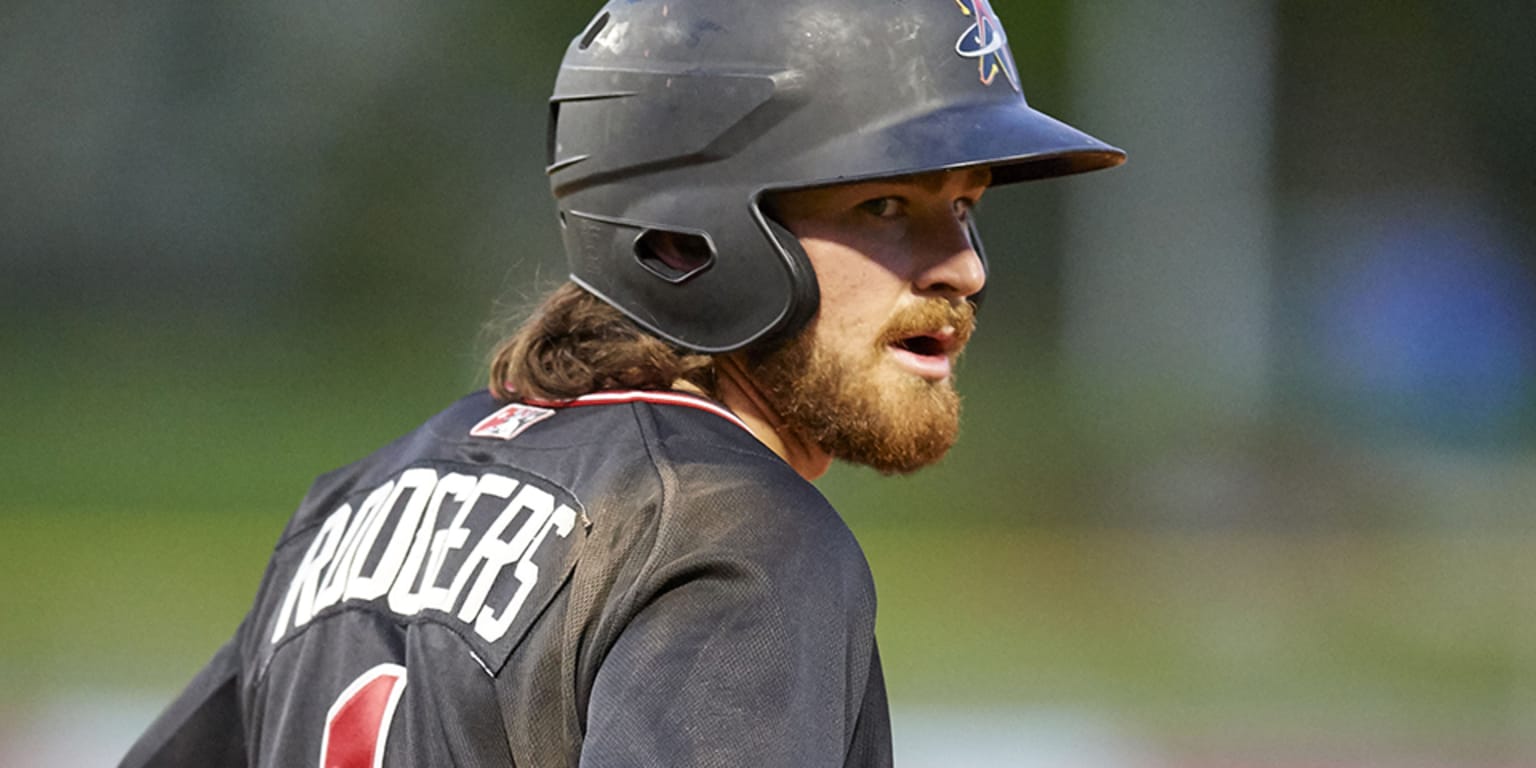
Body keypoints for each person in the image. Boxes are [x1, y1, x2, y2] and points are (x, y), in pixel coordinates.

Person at [120, 0, 1122, 765]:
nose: (965, 266)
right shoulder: (739, 537)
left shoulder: (351, 508)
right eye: (887, 203)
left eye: (966, 203)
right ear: (698, 234)